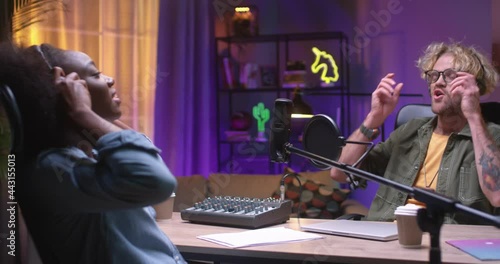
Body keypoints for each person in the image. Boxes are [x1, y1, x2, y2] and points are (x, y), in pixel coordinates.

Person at [0, 42, 186, 263]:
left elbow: (141, 149)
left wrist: (90, 120)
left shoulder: (89, 153)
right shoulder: (52, 170)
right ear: (67, 95)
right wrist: (82, 112)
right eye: (96, 74)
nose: (109, 79)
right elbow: (156, 181)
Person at [330, 41, 500, 225]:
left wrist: (474, 115)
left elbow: (497, 196)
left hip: (447, 244)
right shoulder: (410, 131)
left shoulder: (491, 136)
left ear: (475, 87)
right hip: (386, 237)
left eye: (450, 76)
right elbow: (340, 173)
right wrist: (373, 118)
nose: (438, 82)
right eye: (433, 75)